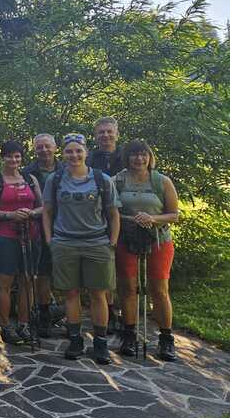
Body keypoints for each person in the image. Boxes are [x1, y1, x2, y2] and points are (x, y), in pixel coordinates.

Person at [41, 133, 120, 365]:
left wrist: (112, 241)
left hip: (97, 243)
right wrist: (50, 239)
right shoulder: (55, 179)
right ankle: (75, 340)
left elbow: (113, 214)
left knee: (98, 294)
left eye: (78, 151)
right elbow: (47, 211)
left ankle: (100, 343)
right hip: (65, 242)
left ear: (86, 152)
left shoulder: (102, 179)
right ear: (63, 153)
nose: (74, 155)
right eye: (69, 151)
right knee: (71, 293)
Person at [114, 140, 180, 361]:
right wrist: (131, 218)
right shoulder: (118, 180)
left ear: (150, 157)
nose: (139, 159)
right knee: (127, 288)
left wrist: (152, 218)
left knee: (159, 289)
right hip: (127, 239)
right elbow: (109, 212)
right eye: (134, 155)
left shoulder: (162, 181)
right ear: (127, 158)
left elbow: (174, 215)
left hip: (158, 240)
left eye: (143, 154)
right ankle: (129, 334)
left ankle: (166, 339)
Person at [0, 141, 43, 346]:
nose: (13, 160)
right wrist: (10, 215)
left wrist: (30, 213)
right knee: (5, 281)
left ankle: (24, 324)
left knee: (28, 280)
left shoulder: (30, 179)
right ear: (3, 157)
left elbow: (43, 206)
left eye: (17, 156)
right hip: (5, 235)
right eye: (9, 156)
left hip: (30, 234)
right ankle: (6, 325)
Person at [22, 133, 61, 337]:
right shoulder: (27, 173)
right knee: (43, 272)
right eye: (39, 147)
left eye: (47, 146)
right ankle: (45, 315)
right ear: (34, 149)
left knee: (69, 274)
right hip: (37, 227)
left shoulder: (68, 169)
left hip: (67, 226)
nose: (44, 150)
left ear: (55, 147)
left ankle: (70, 316)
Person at [89, 116, 124, 332]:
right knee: (105, 268)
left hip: (126, 217)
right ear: (95, 135)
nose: (105, 135)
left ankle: (125, 313)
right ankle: (109, 311)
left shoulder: (127, 156)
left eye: (109, 131)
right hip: (97, 219)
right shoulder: (89, 158)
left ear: (117, 134)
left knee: (124, 270)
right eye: (101, 132)